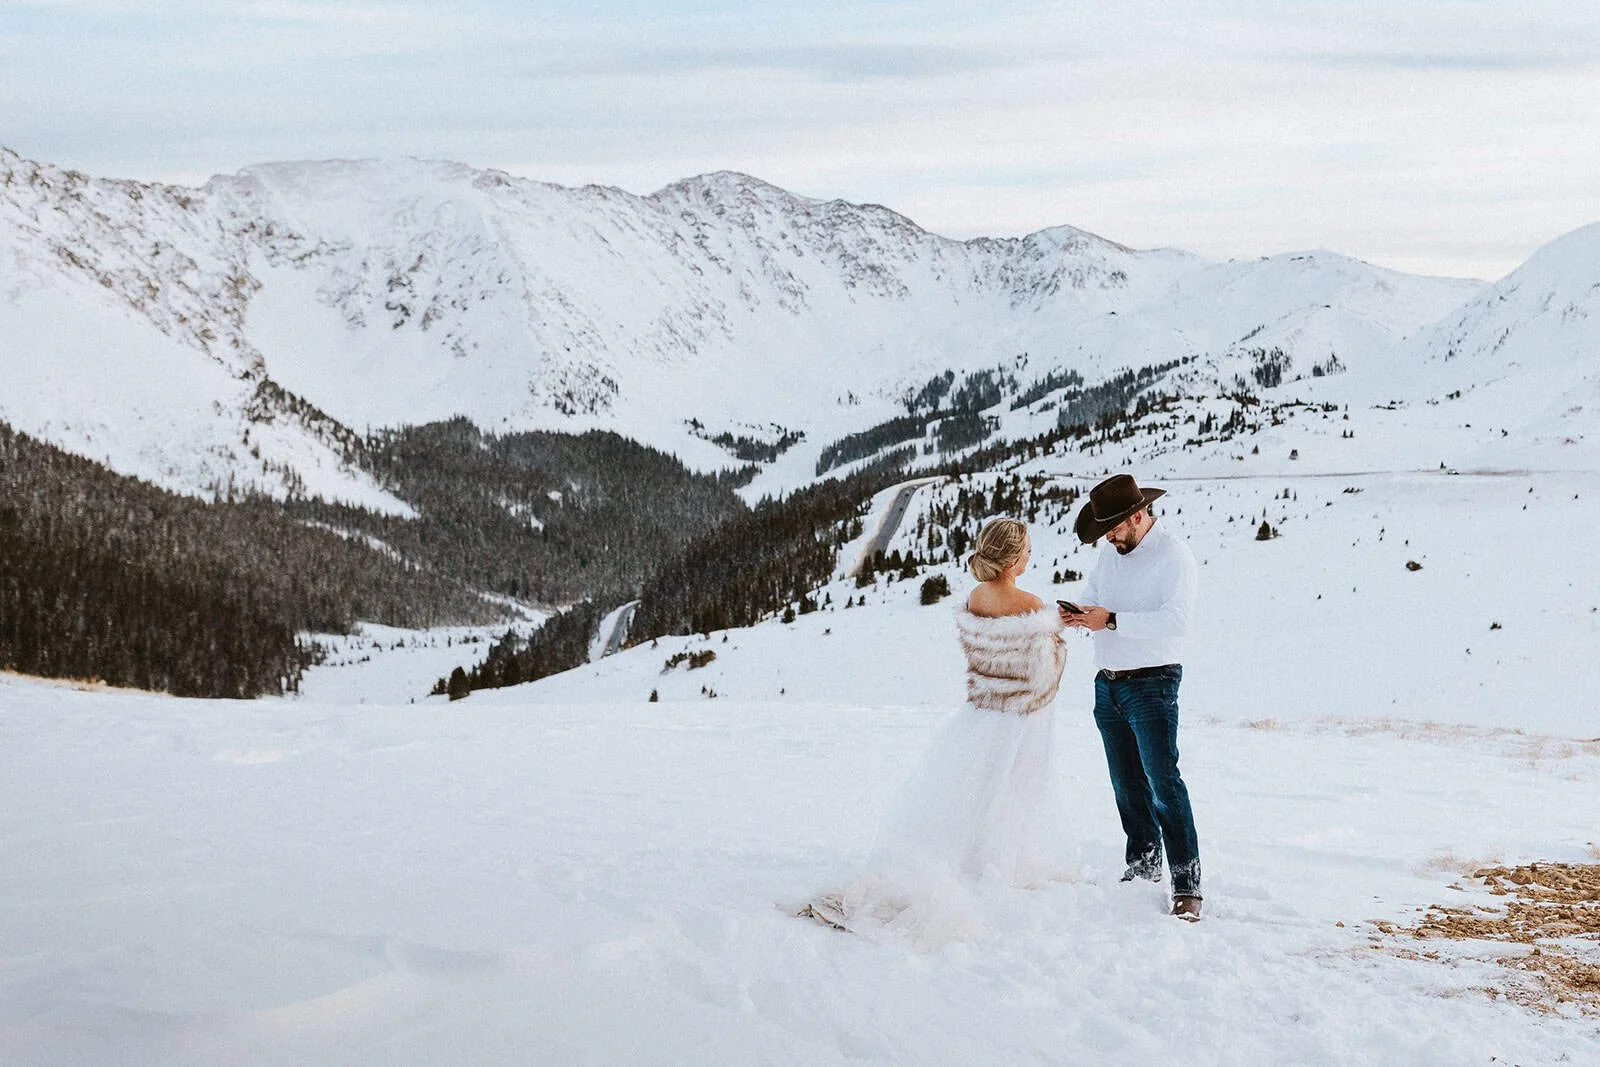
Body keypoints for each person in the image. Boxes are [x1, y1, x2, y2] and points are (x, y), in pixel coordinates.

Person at [798, 517, 1077, 941]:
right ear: (1015, 558)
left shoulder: (975, 596)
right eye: (1027, 552)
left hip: (982, 713)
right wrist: (1058, 634)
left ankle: (974, 857)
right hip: (1021, 720)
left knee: (974, 793)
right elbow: (1042, 677)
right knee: (1014, 791)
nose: (1029, 557)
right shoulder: (1030, 603)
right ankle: (1001, 862)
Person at [1064, 474, 1204, 921]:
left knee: (1164, 783)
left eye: (1115, 527)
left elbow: (1175, 622)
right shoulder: (1111, 554)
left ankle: (1187, 884)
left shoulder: (1174, 557)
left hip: (1153, 683)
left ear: (1138, 516)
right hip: (1108, 683)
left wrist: (1111, 622)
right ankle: (1143, 868)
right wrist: (1078, 614)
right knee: (1126, 785)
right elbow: (1094, 597)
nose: (1108, 535)